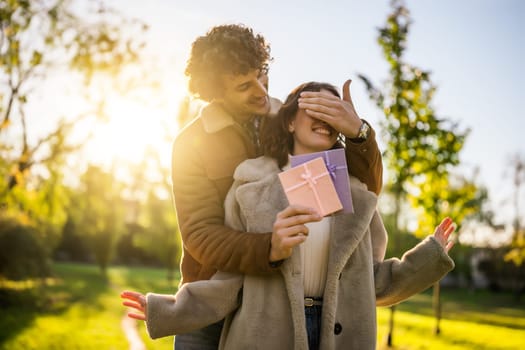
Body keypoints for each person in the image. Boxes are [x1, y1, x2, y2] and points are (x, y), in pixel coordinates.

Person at [122, 82, 455, 350]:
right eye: (314, 106)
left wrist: (429, 256)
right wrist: (165, 310)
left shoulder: (354, 192)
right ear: (290, 119)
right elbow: (228, 283)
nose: (324, 114)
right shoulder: (250, 187)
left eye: (333, 109)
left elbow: (372, 282)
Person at [158, 24, 383, 349]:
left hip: (279, 300)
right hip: (211, 296)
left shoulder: (298, 120)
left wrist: (359, 134)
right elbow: (199, 235)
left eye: (261, 73)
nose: (261, 90)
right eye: (243, 85)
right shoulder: (191, 143)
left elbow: (360, 192)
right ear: (215, 92)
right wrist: (269, 248)